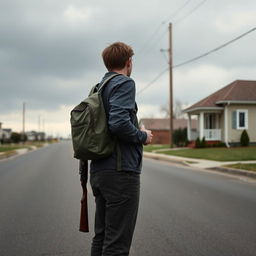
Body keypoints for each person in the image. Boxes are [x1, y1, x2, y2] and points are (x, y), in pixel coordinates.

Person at [80, 42, 153, 256]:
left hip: (99, 171)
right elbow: (119, 123)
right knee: (117, 244)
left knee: (101, 237)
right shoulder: (124, 83)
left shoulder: (98, 87)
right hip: (121, 174)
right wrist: (143, 136)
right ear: (129, 62)